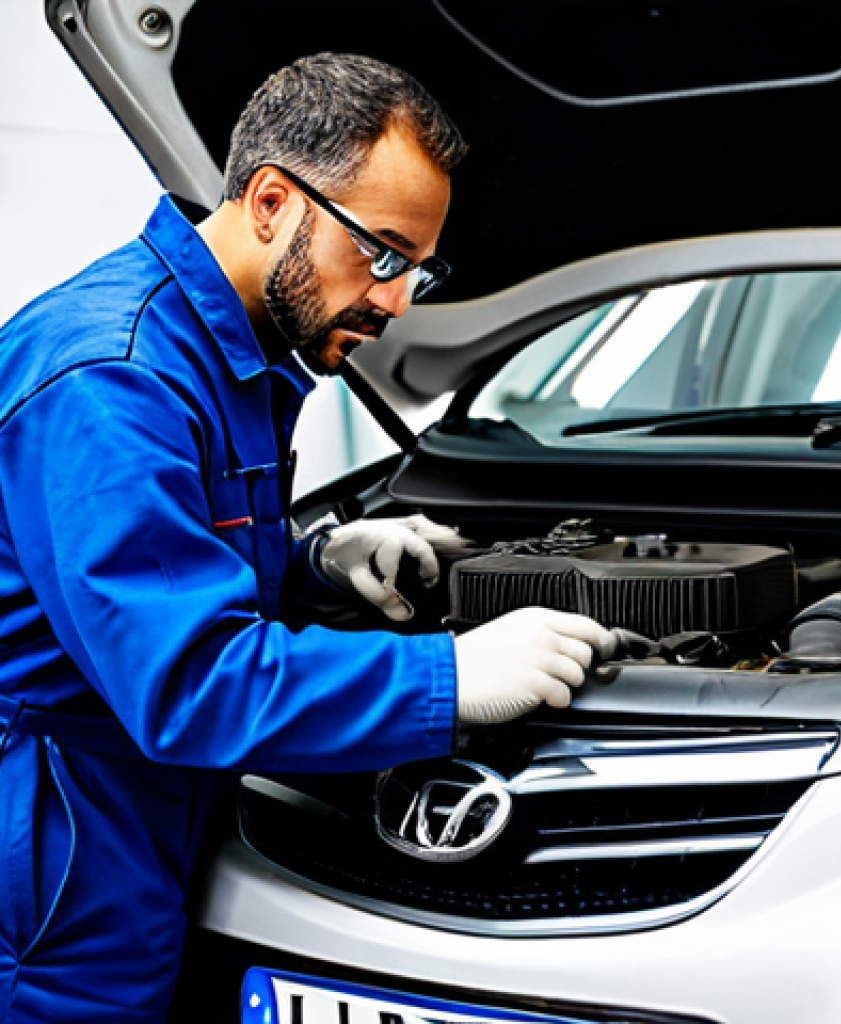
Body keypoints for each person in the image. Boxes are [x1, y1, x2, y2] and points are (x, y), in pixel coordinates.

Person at [0, 54, 614, 1023]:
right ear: (273, 202)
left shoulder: (224, 350)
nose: (398, 301)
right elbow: (188, 683)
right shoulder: (114, 379)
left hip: (150, 827)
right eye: (383, 254)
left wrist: (315, 560)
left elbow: (165, 567)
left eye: (418, 269)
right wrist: (450, 676)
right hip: (58, 867)